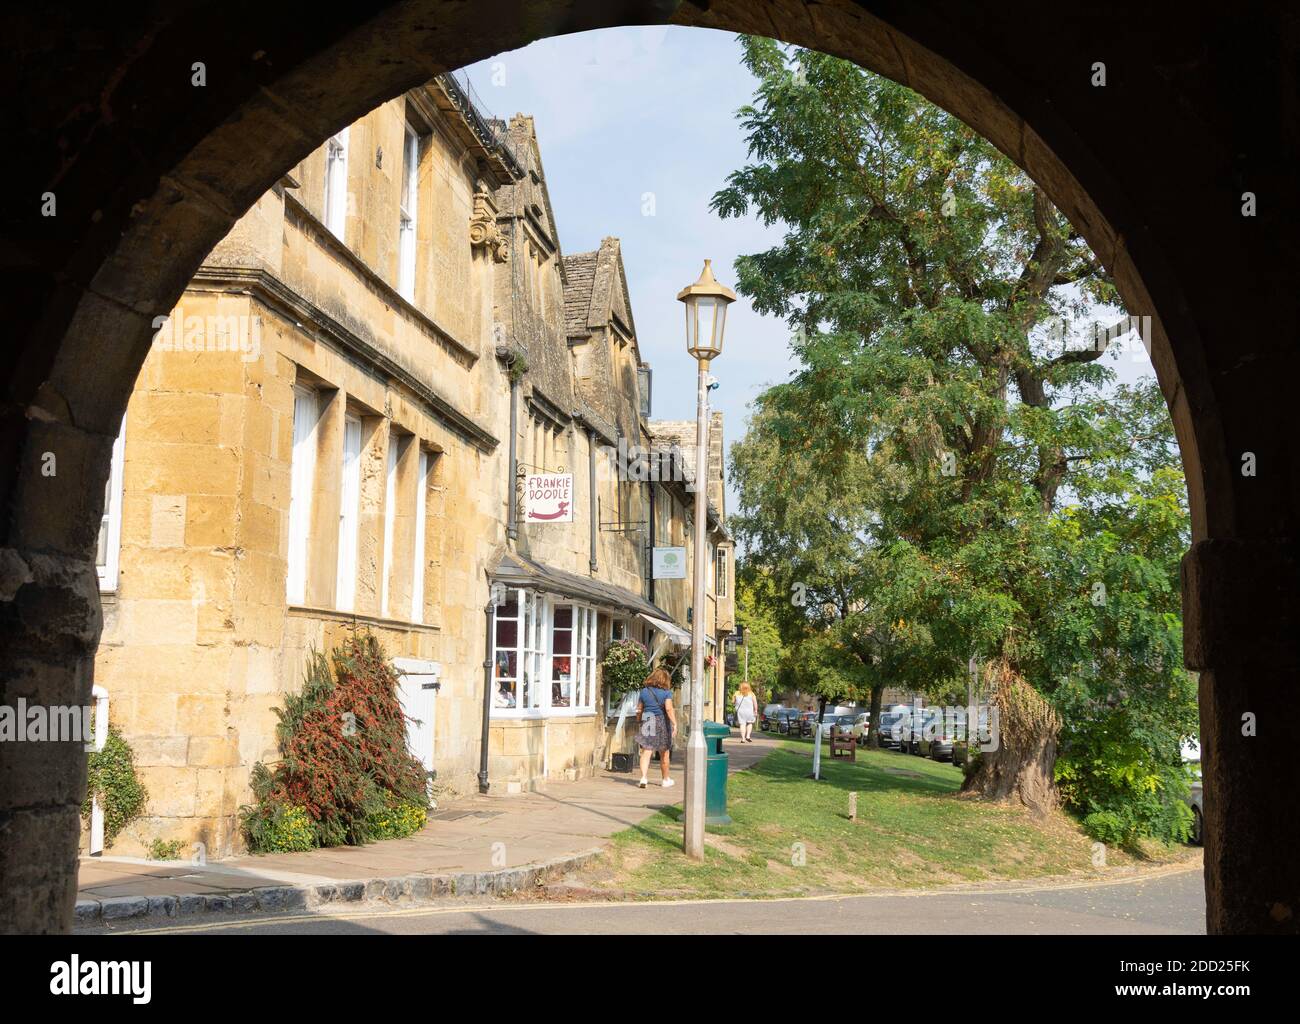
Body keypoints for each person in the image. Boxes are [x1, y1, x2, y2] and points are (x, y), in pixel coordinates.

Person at [635, 667, 677, 789]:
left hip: (647, 719)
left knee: (646, 751)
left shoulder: (644, 691)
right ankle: (665, 779)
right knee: (664, 752)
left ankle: (643, 778)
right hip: (661, 720)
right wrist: (674, 723)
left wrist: (638, 719)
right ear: (665, 680)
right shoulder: (666, 692)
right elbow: (668, 708)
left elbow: (639, 708)